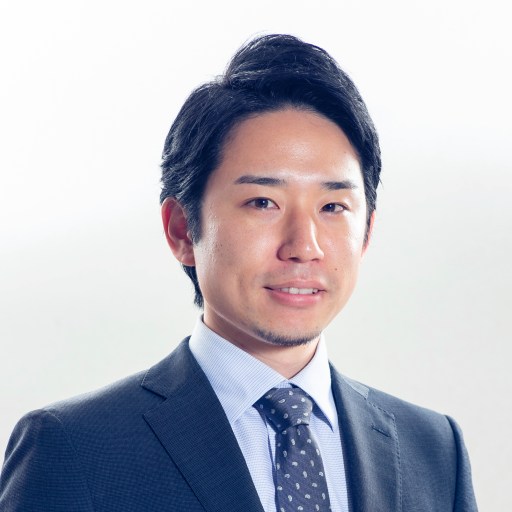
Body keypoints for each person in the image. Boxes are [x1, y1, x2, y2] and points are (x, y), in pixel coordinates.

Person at [0, 34, 477, 512]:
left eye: (333, 206)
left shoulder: (434, 449)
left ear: (367, 232)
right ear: (182, 229)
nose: (303, 247)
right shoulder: (75, 449)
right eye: (262, 202)